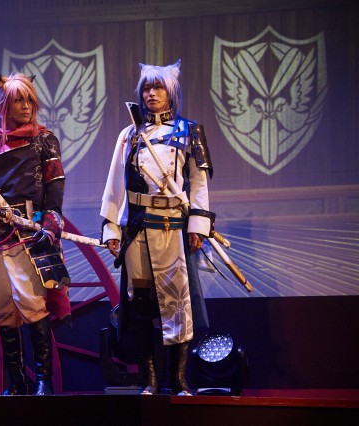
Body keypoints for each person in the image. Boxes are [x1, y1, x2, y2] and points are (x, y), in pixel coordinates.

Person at [100, 59, 213, 396]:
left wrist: (197, 226)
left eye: (158, 87)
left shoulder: (190, 131)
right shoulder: (129, 135)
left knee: (177, 304)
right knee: (140, 305)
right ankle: (149, 380)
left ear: (171, 92)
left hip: (172, 228)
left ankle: (177, 380)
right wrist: (111, 228)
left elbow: (199, 182)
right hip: (137, 229)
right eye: (147, 88)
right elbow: (114, 185)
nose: (151, 93)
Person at [0, 73, 71, 396]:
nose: (26, 107)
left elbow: (55, 185)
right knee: (4, 310)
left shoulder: (44, 140)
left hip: (29, 233)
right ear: (4, 104)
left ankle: (43, 380)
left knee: (33, 304)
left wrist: (51, 224)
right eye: (19, 101)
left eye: (29, 101)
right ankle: (17, 383)